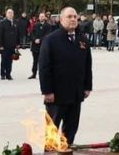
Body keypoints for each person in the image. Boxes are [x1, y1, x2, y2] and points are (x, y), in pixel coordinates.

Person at [39, 7, 93, 144]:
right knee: (52, 131)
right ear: (61, 19)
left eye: (75, 17)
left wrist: (87, 87)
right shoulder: (51, 39)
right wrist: (47, 91)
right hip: (56, 95)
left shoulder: (82, 40)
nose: (73, 19)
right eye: (69, 17)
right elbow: (44, 67)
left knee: (71, 129)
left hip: (75, 93)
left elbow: (87, 65)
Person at [28, 12, 53, 78]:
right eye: (40, 16)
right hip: (35, 46)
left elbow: (48, 35)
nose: (41, 17)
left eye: (42, 16)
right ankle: (34, 74)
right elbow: (31, 34)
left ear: (45, 17)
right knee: (35, 61)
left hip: (43, 46)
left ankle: (43, 74)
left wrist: (40, 40)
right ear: (38, 17)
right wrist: (34, 39)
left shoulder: (48, 26)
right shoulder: (35, 25)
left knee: (43, 61)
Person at [0, 9, 18, 80]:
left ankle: (8, 74)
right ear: (6, 14)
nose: (10, 14)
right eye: (9, 13)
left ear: (13, 14)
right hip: (4, 45)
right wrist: (0, 45)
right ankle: (2, 74)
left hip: (12, 45)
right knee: (4, 60)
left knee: (10, 61)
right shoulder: (2, 23)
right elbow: (0, 35)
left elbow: (17, 33)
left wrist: (18, 43)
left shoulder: (15, 22)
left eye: (11, 13)